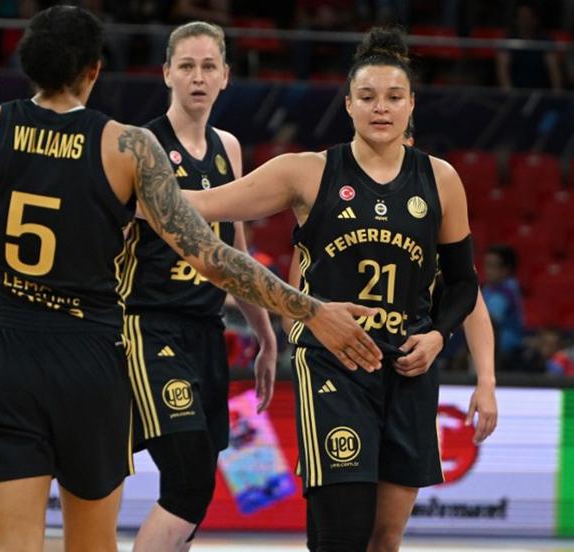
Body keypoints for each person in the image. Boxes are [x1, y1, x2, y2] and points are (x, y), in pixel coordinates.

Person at [0, 6, 381, 550]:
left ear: (29, 66)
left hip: (8, 353)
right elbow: (212, 255)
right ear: (93, 70)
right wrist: (309, 309)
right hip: (90, 357)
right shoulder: (127, 146)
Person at [182, 26, 480, 551]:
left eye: (393, 97)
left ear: (412, 104)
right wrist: (123, 185)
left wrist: (437, 337)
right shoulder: (309, 171)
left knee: (384, 540)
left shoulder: (441, 179)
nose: (380, 108)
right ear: (348, 104)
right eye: (367, 97)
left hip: (408, 367)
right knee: (341, 533)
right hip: (333, 364)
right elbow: (207, 204)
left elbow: (462, 283)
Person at [125, 22, 278, 551]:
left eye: (208, 66)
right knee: (189, 482)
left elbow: (235, 251)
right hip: (147, 328)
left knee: (191, 486)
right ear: (166, 72)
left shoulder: (228, 148)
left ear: (226, 77)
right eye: (186, 66)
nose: (198, 77)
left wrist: (264, 334)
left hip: (207, 332)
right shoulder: (140, 144)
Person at [481, 244, 525, 372]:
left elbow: (489, 321)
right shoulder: (488, 288)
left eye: (492, 266)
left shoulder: (508, 289)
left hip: (507, 350)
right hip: (489, 345)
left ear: (505, 269)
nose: (487, 270)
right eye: (486, 264)